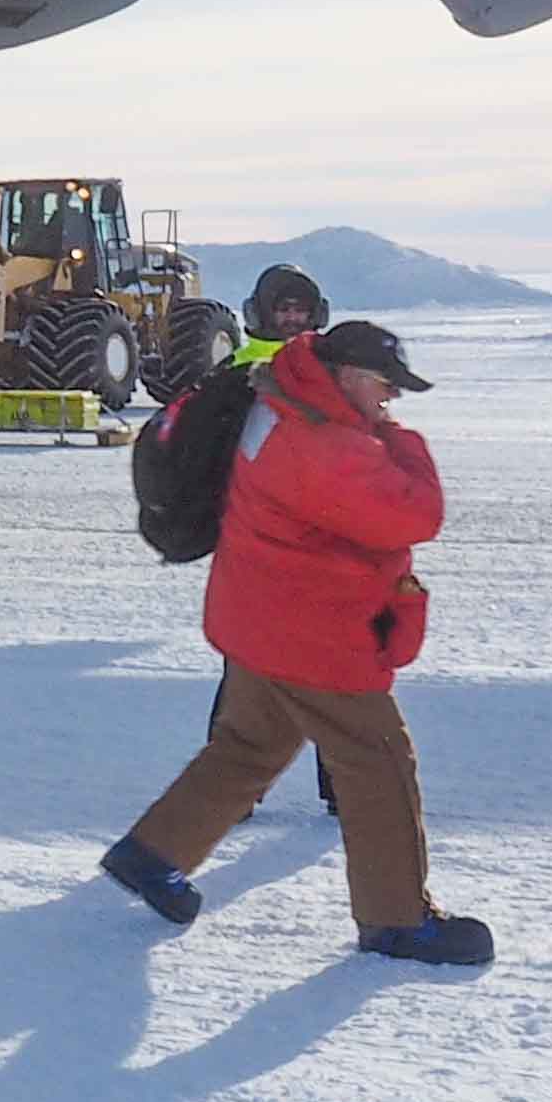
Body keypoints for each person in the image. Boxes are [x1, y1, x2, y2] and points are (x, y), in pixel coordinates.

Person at [100, 319, 487, 964]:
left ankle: (153, 855)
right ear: (342, 376)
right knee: (379, 764)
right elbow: (418, 513)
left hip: (257, 618)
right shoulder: (322, 443)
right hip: (312, 632)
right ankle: (397, 921)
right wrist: (403, 442)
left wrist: (377, 431)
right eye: (383, 385)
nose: (391, 399)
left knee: (250, 746)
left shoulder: (277, 399)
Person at [208, 262, 341, 814]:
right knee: (249, 673)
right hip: (259, 546)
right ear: (261, 315)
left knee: (336, 668)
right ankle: (230, 791)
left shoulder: (334, 371)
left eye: (300, 310)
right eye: (283, 310)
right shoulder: (241, 373)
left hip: (321, 545)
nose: (292, 320)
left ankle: (342, 788)